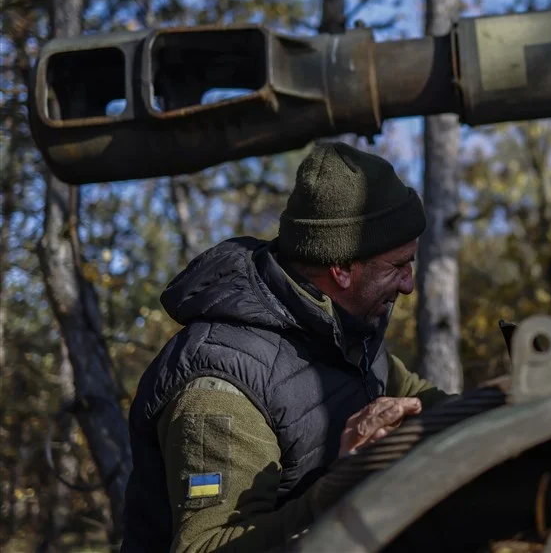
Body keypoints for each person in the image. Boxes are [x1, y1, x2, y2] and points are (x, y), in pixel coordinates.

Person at [121, 141, 451, 552]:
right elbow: (205, 547)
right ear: (344, 269)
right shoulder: (219, 385)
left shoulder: (346, 329)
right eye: (398, 266)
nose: (409, 284)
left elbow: (418, 399)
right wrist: (341, 487)